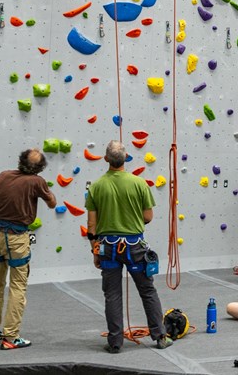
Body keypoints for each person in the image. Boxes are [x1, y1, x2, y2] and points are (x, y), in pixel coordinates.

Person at [86, 141, 173, 353]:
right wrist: (130, 221)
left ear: (106, 159)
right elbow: (148, 216)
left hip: (108, 248)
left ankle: (115, 342)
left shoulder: (96, 187)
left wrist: (95, 250)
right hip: (135, 247)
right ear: (126, 158)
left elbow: (91, 225)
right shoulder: (139, 184)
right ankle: (160, 336)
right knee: (147, 290)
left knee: (112, 294)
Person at [0, 149, 57, 350]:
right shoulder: (36, 182)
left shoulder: (3, 175)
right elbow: (52, 204)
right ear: (40, 168)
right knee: (18, 286)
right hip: (16, 238)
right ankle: (11, 336)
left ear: (20, 161)